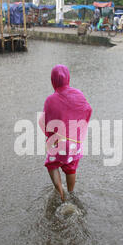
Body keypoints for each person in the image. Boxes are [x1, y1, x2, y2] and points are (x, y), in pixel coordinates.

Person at [39, 65, 92, 202]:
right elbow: (87, 110)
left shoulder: (50, 100)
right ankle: (71, 194)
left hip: (59, 141)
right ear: (68, 78)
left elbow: (45, 121)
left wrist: (50, 136)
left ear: (53, 81)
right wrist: (79, 131)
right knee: (71, 167)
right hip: (75, 141)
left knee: (52, 164)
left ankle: (61, 194)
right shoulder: (78, 94)